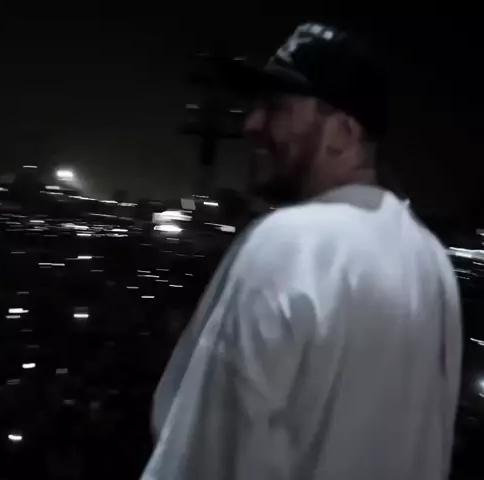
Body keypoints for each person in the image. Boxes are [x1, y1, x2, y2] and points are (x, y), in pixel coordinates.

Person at [141, 23, 462, 480]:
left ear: (343, 132)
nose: (251, 125)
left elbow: (204, 456)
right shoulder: (431, 261)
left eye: (276, 108)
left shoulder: (288, 244)